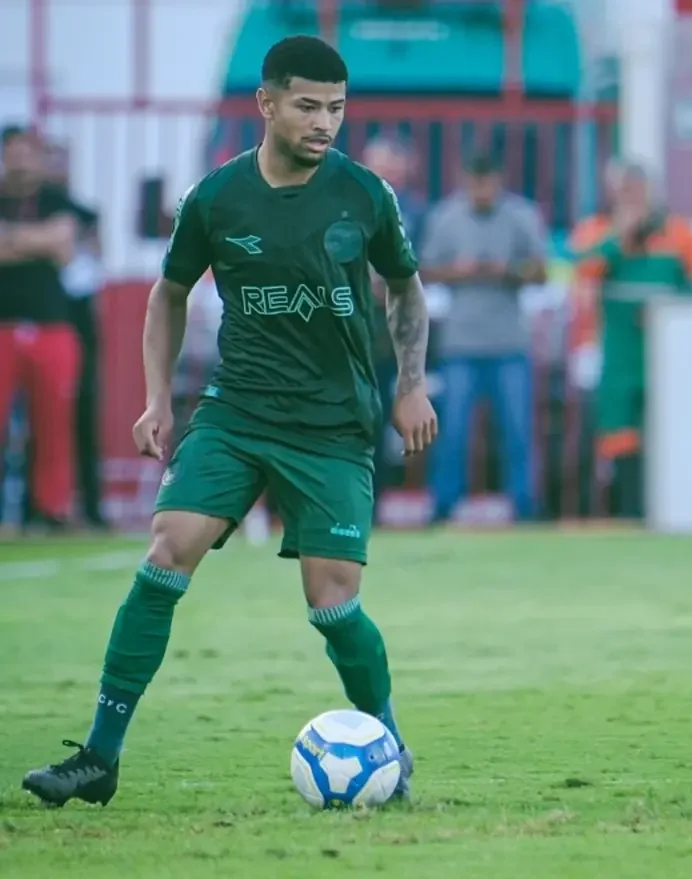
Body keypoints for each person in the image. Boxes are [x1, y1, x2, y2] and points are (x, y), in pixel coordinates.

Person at [21, 35, 437, 808]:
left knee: (332, 600)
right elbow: (166, 294)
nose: (324, 123)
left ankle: (386, 741)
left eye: (337, 109)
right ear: (267, 104)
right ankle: (100, 757)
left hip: (333, 425)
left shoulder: (364, 194)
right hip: (237, 411)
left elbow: (406, 290)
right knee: (166, 549)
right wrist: (156, 398)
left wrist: (410, 384)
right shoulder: (215, 199)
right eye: (308, 106)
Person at [573, 160, 692, 519]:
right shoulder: (598, 231)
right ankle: (628, 513)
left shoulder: (680, 233)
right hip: (619, 352)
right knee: (619, 432)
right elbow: (585, 269)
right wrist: (619, 238)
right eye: (625, 191)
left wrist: (673, 311)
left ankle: (675, 511)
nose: (633, 198)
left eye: (639, 190)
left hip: (666, 353)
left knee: (669, 429)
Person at [421, 152, 547, 523]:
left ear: (499, 180)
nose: (481, 192)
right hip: (460, 344)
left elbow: (541, 273)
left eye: (487, 184)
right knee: (453, 432)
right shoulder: (444, 217)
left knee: (518, 432)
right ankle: (444, 506)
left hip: (510, 342)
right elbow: (424, 271)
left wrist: (506, 271)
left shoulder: (522, 216)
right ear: (464, 180)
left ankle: (525, 506)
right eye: (475, 184)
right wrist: (461, 272)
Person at [0, 125, 80, 531]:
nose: (20, 159)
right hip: (3, 327)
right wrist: (38, 241)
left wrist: (11, 239)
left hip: (51, 327)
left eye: (26, 151)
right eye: (12, 151)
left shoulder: (56, 198)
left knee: (53, 424)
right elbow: (50, 242)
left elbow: (63, 245)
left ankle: (51, 510)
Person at [360, 137, 427, 518]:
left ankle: (373, 502)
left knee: (379, 419)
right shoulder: (345, 207)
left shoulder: (416, 213)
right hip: (349, 333)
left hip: (389, 339)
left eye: (388, 165)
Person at [45, 137, 109, 529]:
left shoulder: (83, 213)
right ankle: (43, 509)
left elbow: (92, 265)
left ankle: (91, 506)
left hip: (79, 325)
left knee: (85, 413)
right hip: (46, 319)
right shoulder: (28, 209)